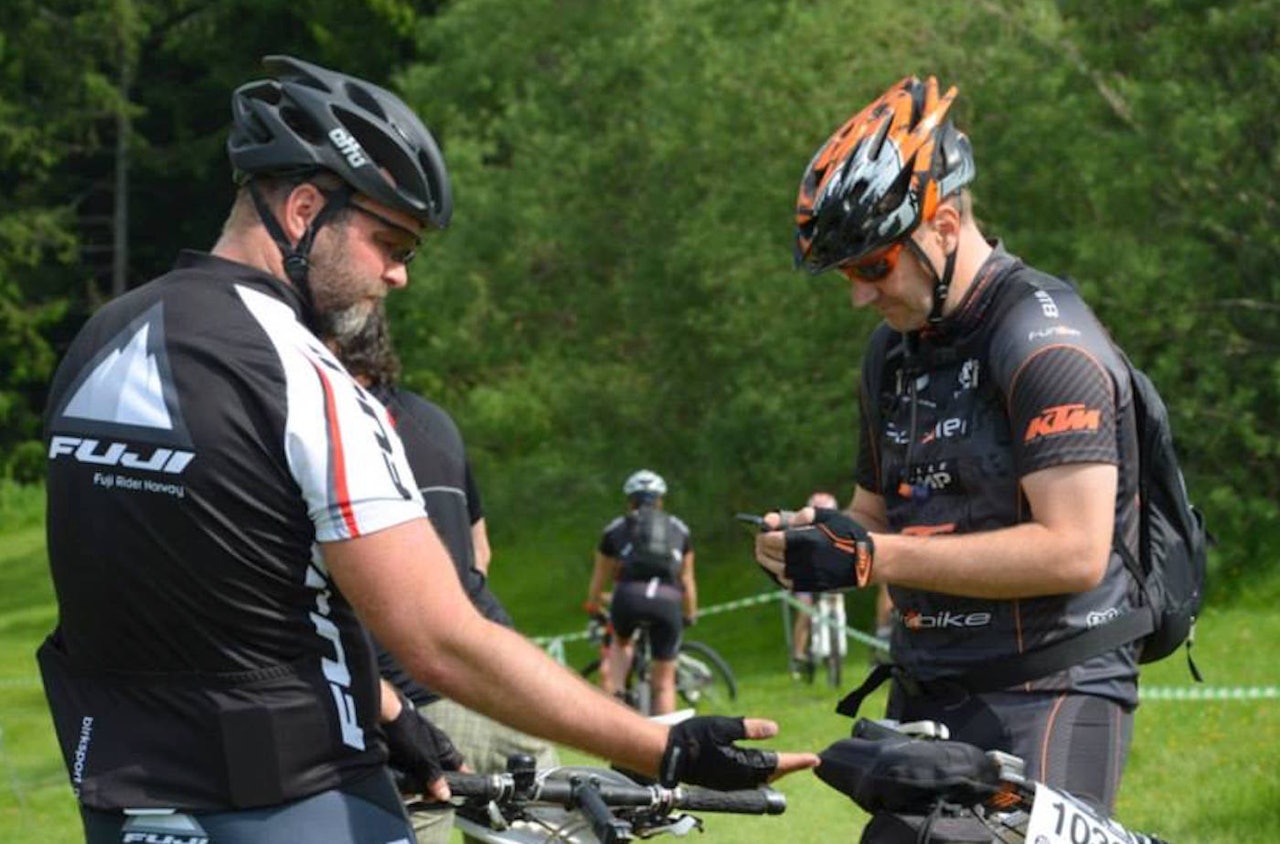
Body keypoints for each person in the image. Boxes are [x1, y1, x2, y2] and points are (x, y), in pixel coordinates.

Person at [38, 55, 816, 844]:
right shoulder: (308, 378)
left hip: (124, 799)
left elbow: (206, 592)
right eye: (390, 241)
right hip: (297, 800)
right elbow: (440, 638)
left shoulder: (100, 343)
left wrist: (389, 710)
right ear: (305, 210)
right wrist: (662, 745)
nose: (400, 275)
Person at [755, 76, 1142, 833]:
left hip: (1048, 686)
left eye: (873, 267)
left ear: (943, 224)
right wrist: (815, 542)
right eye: (845, 275)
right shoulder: (893, 353)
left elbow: (1074, 552)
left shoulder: (1045, 342)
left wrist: (876, 558)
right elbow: (875, 515)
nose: (860, 296)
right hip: (930, 681)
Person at [329, 304, 559, 844]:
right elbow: (480, 551)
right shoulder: (436, 422)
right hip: (507, 694)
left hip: (416, 714)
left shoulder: (327, 432)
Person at [585, 470, 697, 715]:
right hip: (668, 601)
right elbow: (687, 579)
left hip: (628, 598)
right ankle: (667, 743)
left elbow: (599, 577)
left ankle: (615, 711)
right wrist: (690, 614)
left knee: (621, 645)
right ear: (660, 500)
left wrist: (593, 606)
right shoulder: (679, 528)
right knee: (664, 683)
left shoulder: (615, 529)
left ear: (630, 500)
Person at [787, 491, 843, 681]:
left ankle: (835, 653)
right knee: (806, 612)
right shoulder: (802, 533)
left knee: (836, 605)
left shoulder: (840, 533)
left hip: (828, 580)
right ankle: (798, 655)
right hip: (806, 580)